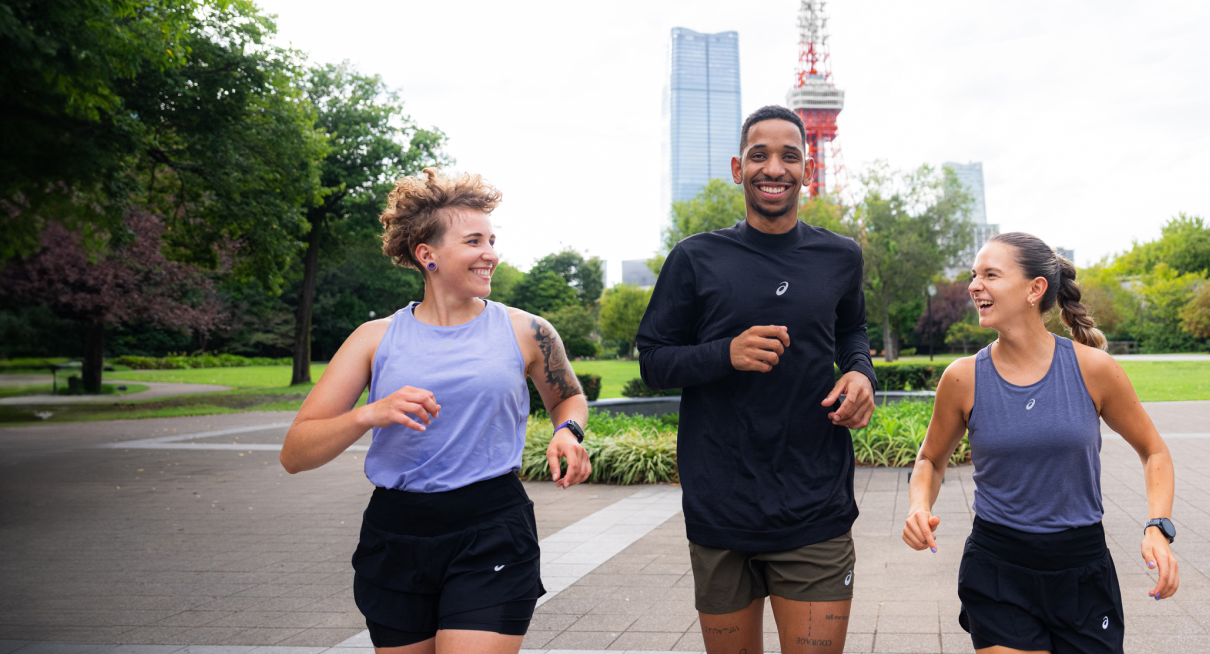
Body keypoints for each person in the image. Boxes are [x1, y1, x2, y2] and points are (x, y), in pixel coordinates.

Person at [279, 169, 592, 654]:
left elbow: (567, 397)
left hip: (492, 529)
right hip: (396, 536)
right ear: (427, 254)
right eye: (473, 241)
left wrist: (568, 431)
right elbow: (295, 453)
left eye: (492, 239)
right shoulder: (373, 339)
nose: (490, 253)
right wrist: (370, 413)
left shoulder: (528, 330)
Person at [636, 105, 878, 654]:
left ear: (808, 170)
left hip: (815, 505)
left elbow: (852, 330)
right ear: (736, 168)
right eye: (759, 155)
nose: (775, 167)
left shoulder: (841, 257)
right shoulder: (695, 258)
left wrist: (860, 372)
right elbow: (652, 360)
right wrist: (727, 353)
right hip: (721, 505)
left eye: (790, 156)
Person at [902, 232, 1178, 654]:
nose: (974, 285)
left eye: (990, 274)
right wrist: (919, 506)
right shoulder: (962, 378)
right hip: (998, 569)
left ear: (1035, 289)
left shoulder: (1094, 369)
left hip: (1081, 570)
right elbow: (930, 461)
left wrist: (1158, 527)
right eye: (974, 275)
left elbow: (1154, 450)